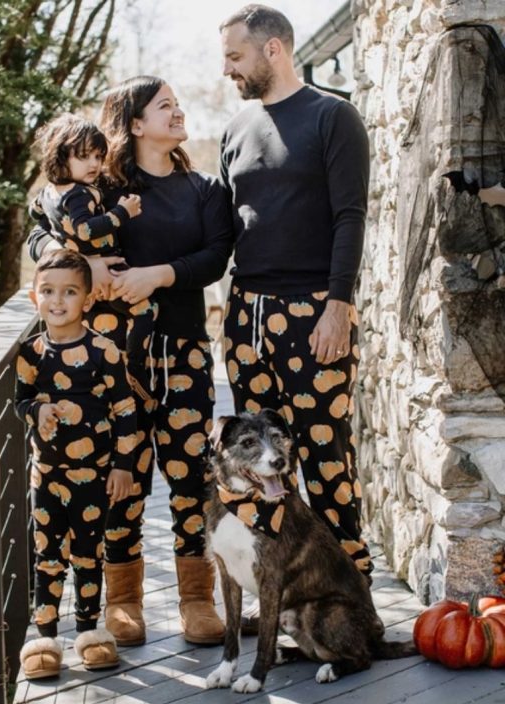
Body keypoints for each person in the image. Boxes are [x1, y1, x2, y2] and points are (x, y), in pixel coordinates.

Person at [27, 76, 233, 646]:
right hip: (115, 360)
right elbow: (40, 227)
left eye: (177, 103)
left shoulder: (206, 188)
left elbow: (215, 256)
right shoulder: (102, 185)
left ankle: (196, 596)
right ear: (136, 123)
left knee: (193, 470)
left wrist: (157, 276)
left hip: (184, 347)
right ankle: (123, 600)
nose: (179, 110)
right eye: (165, 105)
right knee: (124, 471)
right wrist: (72, 264)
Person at [218, 4, 372, 629]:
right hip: (246, 318)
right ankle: (277, 603)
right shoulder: (235, 128)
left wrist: (339, 302)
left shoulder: (333, 117)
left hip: (315, 312)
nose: (228, 69)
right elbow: (227, 225)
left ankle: (354, 608)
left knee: (327, 461)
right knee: (261, 470)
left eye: (235, 56)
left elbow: (350, 216)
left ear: (273, 49)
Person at [15, 250, 136, 677]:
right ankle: (45, 637)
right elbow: (21, 400)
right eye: (48, 291)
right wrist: (35, 412)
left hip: (93, 476)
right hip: (45, 475)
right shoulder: (31, 354)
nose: (58, 301)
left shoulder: (103, 351)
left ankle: (89, 632)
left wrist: (123, 465)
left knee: (88, 553)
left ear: (87, 300)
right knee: (47, 554)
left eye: (69, 292)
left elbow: (124, 410)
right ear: (35, 298)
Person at [29, 112, 156, 401]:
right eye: (84, 156)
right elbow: (85, 229)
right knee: (145, 310)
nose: (95, 165)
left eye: (98, 157)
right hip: (108, 271)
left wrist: (56, 230)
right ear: (60, 156)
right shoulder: (79, 194)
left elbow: (34, 214)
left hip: (85, 279)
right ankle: (134, 367)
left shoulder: (48, 193)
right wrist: (123, 213)